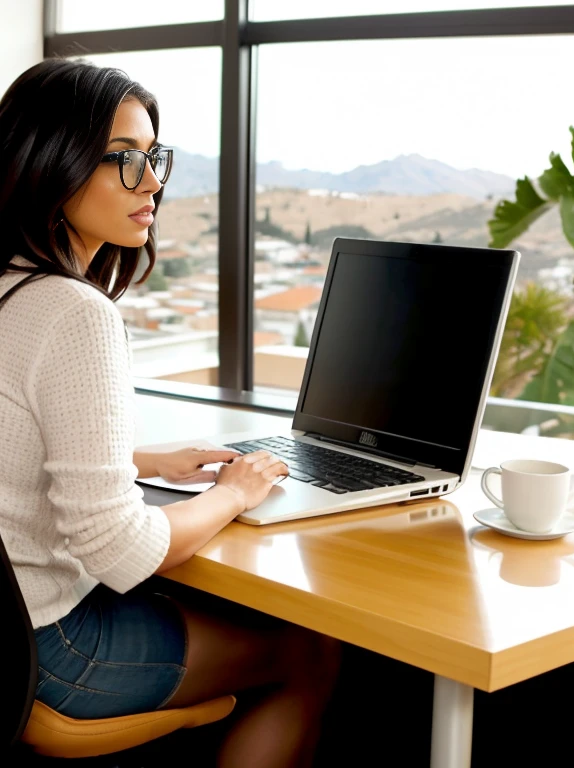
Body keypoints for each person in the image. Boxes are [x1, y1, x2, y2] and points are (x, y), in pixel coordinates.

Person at [0, 58, 341, 767]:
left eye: (153, 158)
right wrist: (233, 492)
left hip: (11, 633)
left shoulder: (10, 289)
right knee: (310, 647)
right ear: (49, 161)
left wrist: (143, 463)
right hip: (55, 648)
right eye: (123, 160)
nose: (152, 182)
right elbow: (121, 550)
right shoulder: (72, 312)